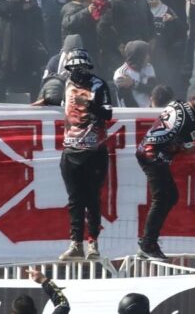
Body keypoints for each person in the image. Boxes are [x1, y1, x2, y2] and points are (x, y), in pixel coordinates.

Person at [136, 91, 195, 259]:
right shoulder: (190, 123)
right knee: (163, 198)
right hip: (154, 157)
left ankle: (148, 241)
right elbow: (183, 147)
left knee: (170, 196)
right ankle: (148, 243)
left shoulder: (176, 103)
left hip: (146, 150)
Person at [58, 48, 113, 261]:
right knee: (74, 200)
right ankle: (76, 244)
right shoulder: (66, 83)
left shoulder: (99, 84)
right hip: (70, 149)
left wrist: (89, 104)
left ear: (88, 67)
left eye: (81, 68)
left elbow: (108, 113)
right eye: (74, 68)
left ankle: (93, 244)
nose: (77, 72)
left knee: (92, 199)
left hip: (94, 151)